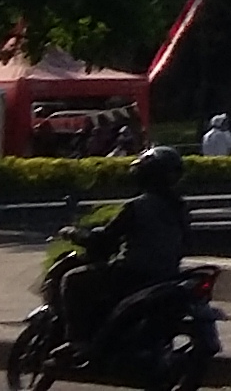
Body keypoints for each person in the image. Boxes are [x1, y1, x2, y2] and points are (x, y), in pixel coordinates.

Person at [69, 145, 192, 348]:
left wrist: (77, 235)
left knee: (72, 281)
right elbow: (188, 243)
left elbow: (106, 239)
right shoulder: (180, 207)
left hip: (131, 274)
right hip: (167, 275)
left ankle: (78, 342)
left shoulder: (136, 206)